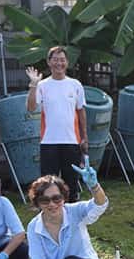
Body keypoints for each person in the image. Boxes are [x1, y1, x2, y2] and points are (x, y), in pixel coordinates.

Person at [26, 46, 88, 202]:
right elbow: (31, 107)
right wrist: (33, 85)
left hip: (71, 141)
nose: (59, 63)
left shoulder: (75, 85)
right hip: (49, 142)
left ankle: (72, 216)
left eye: (62, 60)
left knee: (71, 184)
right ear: (49, 62)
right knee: (47, 185)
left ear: (67, 62)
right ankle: (48, 217)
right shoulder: (42, 85)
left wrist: (84, 137)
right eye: (55, 60)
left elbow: (81, 111)